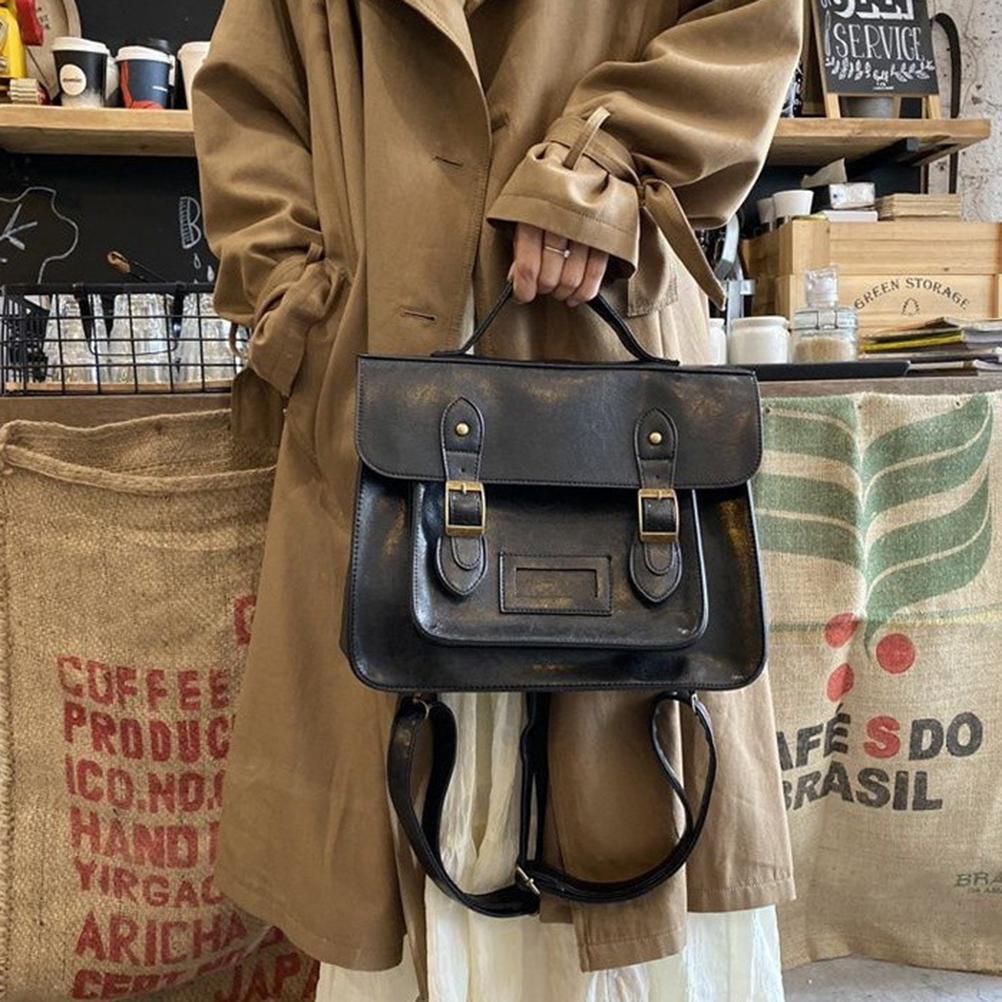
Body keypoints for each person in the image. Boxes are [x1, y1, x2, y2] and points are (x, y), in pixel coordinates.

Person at [192, 1, 803, 997]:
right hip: (380, 381)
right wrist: (297, 299)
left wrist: (601, 163)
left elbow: (750, 23)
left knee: (625, 772)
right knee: (399, 768)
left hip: (607, 364)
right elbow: (247, 104)